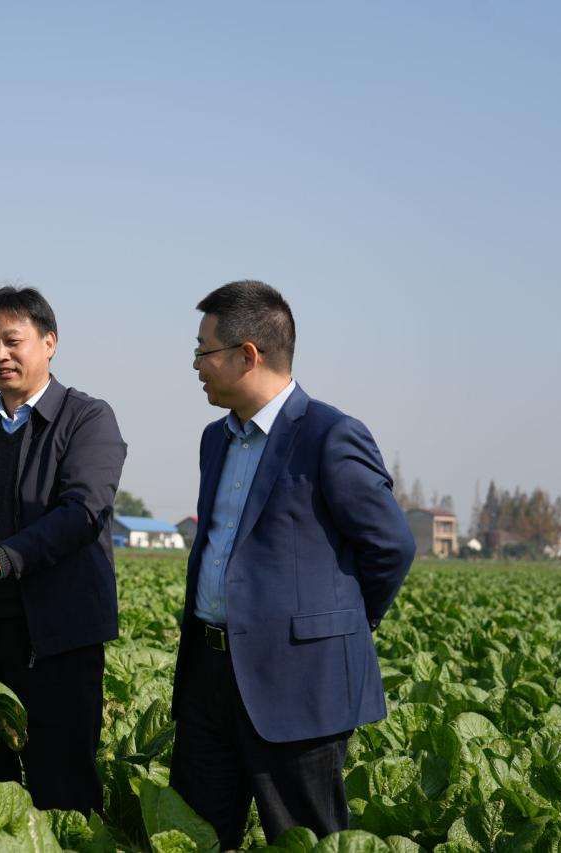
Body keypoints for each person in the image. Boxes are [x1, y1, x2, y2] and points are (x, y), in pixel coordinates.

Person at [171, 280, 415, 846]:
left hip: (298, 680)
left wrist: (338, 625)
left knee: (303, 837)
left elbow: (391, 546)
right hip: (209, 673)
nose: (196, 365)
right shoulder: (215, 439)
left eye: (203, 351)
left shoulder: (330, 435)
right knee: (194, 834)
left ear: (247, 355)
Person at [0, 286, 127, 833]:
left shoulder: (87, 418)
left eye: (13, 341)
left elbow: (82, 513)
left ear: (49, 342)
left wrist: (1, 559)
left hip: (56, 641)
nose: (0, 355)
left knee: (63, 787)